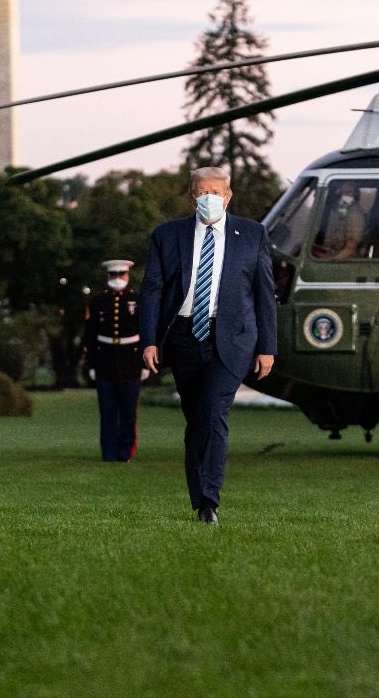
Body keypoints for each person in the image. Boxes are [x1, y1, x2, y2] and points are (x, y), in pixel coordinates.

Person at [138, 167, 277, 524]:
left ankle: (208, 502)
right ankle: (199, 494)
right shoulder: (167, 236)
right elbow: (152, 290)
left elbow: (264, 293)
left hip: (231, 339)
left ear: (229, 196)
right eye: (202, 192)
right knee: (197, 419)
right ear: (191, 196)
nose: (209, 198)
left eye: (216, 191)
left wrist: (267, 347)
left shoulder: (252, 234)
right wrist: (150, 341)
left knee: (214, 413)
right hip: (184, 337)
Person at [83, 259, 144, 462]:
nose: (117, 279)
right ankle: (108, 453)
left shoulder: (137, 299)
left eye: (121, 274)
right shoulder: (98, 302)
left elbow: (145, 333)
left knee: (128, 412)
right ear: (108, 276)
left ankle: (125, 452)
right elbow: (90, 335)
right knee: (108, 413)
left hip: (130, 361)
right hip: (105, 360)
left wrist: (144, 364)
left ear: (127, 275)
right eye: (113, 275)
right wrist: (91, 363)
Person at [320, 181, 366, 259]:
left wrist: (330, 261)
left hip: (344, 260)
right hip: (332, 254)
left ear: (355, 194)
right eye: (343, 193)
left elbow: (350, 249)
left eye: (349, 192)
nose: (345, 196)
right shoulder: (337, 211)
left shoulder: (355, 214)